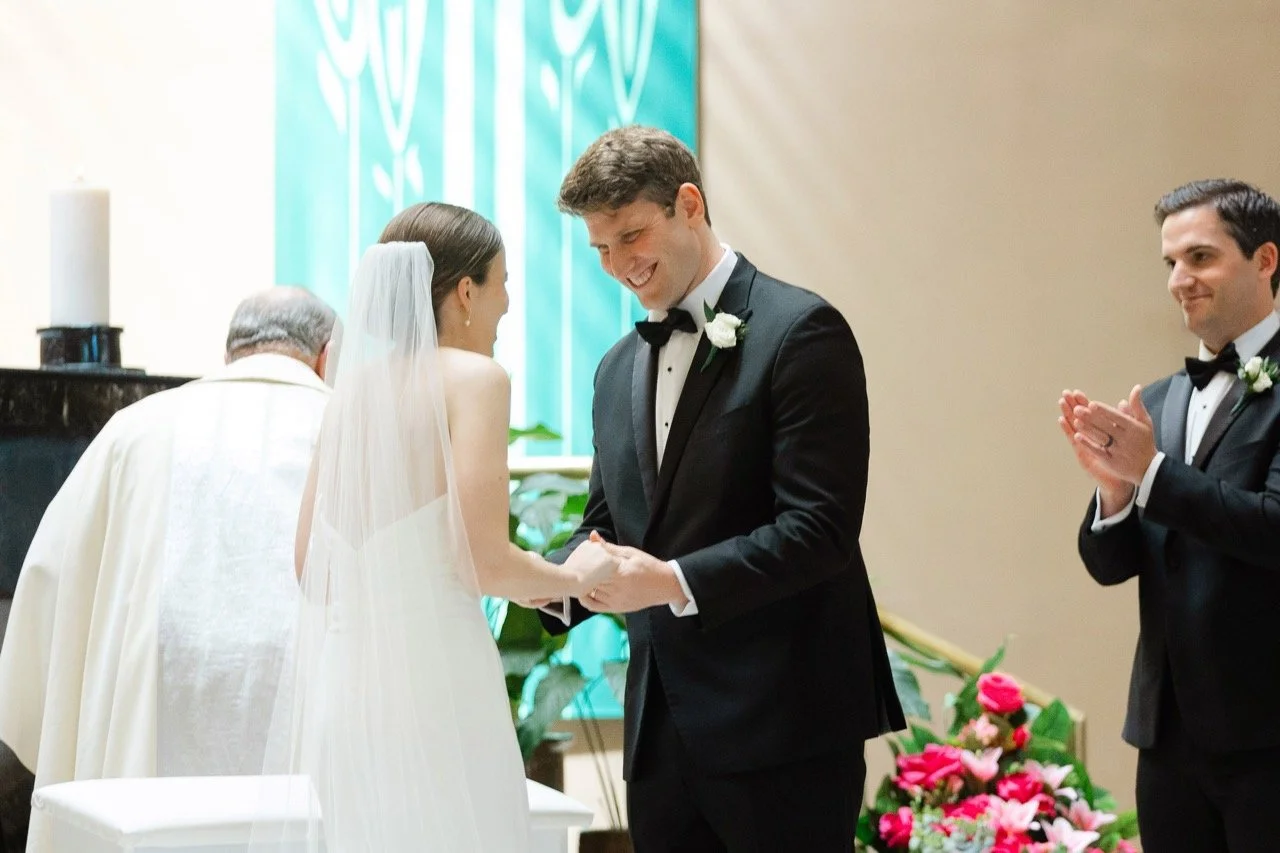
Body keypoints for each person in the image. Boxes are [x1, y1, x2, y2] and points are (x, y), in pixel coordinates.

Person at [535, 126, 905, 852]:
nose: (618, 266)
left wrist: (671, 580)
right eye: (601, 249)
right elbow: (605, 527)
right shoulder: (614, 369)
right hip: (661, 733)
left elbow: (820, 528)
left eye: (632, 236)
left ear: (690, 203)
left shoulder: (802, 331)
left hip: (784, 725)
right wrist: (545, 582)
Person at [251, 203, 618, 853]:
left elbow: (311, 567)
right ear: (467, 292)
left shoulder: (352, 392)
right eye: (503, 282)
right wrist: (570, 576)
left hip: (350, 704)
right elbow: (481, 561)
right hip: (440, 697)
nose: (507, 305)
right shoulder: (475, 379)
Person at [0, 287, 337, 852]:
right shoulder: (349, 428)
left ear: (230, 353)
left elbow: (49, 585)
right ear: (327, 355)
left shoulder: (135, 428)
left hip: (148, 725)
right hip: (312, 717)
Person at [1061, 179, 1280, 852]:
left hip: (1268, 736)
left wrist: (1153, 474)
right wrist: (1115, 496)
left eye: (1201, 257)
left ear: (1267, 260)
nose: (1180, 280)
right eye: (1170, 264)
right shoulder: (1158, 398)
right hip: (1167, 735)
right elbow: (1109, 563)